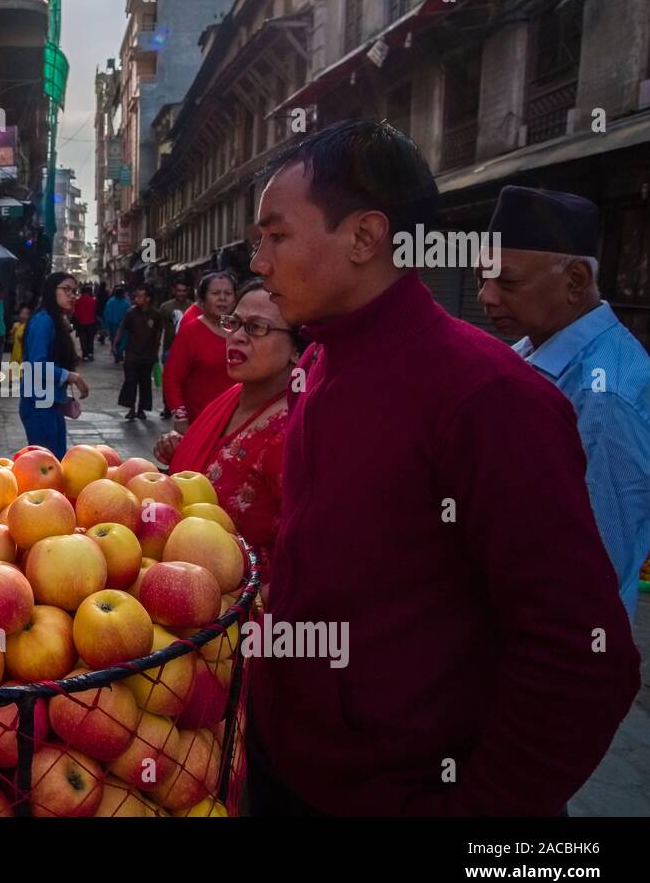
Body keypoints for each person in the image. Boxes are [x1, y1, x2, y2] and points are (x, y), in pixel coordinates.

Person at [246, 118, 639, 816]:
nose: (259, 262)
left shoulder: (488, 397)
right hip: (290, 770)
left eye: (276, 236)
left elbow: (582, 658)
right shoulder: (318, 364)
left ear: (366, 237)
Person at [478, 186, 650, 624]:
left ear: (575, 281)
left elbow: (595, 564)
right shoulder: (526, 354)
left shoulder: (605, 394)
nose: (486, 297)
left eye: (507, 282)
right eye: (483, 278)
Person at [154, 278, 304, 572]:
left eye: (256, 327)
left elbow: (308, 557)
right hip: (184, 579)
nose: (236, 337)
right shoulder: (232, 398)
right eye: (234, 323)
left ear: (296, 349)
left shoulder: (291, 434)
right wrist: (186, 451)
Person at [20, 272, 88, 457]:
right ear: (51, 290)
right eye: (66, 289)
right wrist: (71, 376)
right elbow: (36, 365)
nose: (72, 295)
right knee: (45, 465)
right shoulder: (43, 321)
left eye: (75, 291)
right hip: (38, 406)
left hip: (51, 403)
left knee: (56, 462)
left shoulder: (56, 320)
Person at [161, 271, 237, 430]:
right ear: (202, 300)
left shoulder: (242, 331)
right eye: (215, 293)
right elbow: (171, 378)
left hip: (236, 422)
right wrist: (180, 416)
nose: (222, 298)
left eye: (228, 293)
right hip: (201, 423)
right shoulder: (190, 331)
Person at [117, 285, 162, 420]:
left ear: (147, 298)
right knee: (131, 381)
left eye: (140, 296)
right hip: (132, 353)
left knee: (145, 382)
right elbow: (122, 328)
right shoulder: (131, 313)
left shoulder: (156, 314)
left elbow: (158, 332)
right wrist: (116, 344)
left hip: (148, 354)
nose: (136, 299)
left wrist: (156, 350)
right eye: (136, 296)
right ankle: (131, 408)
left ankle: (141, 409)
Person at [157, 277, 194, 418]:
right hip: (169, 348)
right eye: (179, 291)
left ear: (188, 291)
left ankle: (183, 407)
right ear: (174, 291)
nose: (181, 294)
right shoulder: (165, 307)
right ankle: (168, 407)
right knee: (169, 379)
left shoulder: (193, 307)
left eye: (184, 291)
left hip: (188, 350)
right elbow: (159, 329)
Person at [101, 284, 130, 363]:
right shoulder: (126, 303)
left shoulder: (110, 302)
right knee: (123, 340)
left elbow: (105, 314)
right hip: (123, 326)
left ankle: (116, 354)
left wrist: (104, 326)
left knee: (114, 339)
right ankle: (119, 353)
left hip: (112, 325)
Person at [73, 284, 99, 361]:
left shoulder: (78, 301)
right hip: (91, 322)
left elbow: (75, 313)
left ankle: (85, 355)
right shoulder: (93, 301)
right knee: (90, 339)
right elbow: (95, 312)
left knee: (83, 339)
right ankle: (90, 353)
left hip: (81, 323)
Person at [7, 304, 32, 374]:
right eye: (21, 313)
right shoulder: (16, 325)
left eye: (25, 314)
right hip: (15, 353)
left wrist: (22, 337)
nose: (23, 315)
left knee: (21, 373)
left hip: (22, 354)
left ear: (29, 316)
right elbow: (11, 339)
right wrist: (13, 332)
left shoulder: (28, 326)